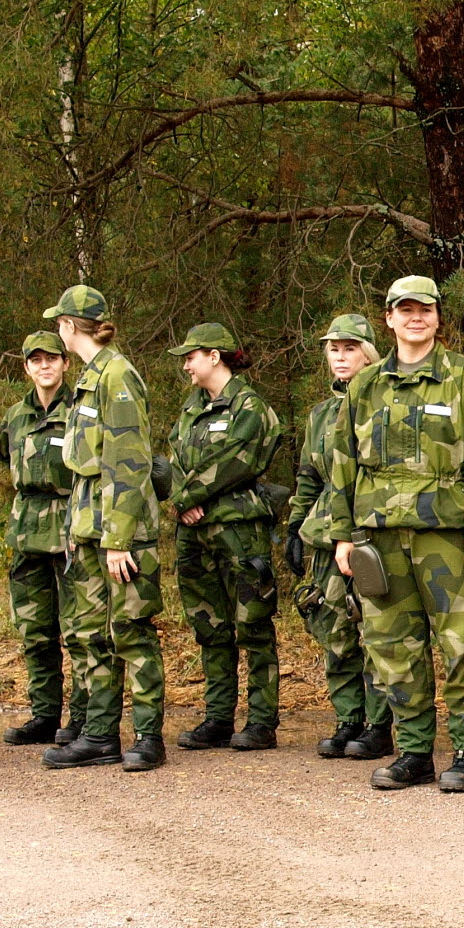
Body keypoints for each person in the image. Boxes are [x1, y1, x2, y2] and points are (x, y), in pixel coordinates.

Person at [325, 275, 464, 792]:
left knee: (462, 644)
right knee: (392, 647)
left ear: (438, 317)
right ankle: (415, 751)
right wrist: (342, 535)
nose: (414, 317)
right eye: (404, 309)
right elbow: (341, 462)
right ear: (388, 318)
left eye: (424, 308)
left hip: (446, 535)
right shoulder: (366, 385)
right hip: (379, 537)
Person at [40, 284, 170, 773]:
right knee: (91, 632)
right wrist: (78, 528)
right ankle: (98, 735)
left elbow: (129, 462)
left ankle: (148, 736)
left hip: (121, 530)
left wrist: (118, 539)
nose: (58, 331)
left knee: (131, 631)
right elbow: (86, 464)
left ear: (72, 327)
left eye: (60, 323)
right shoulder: (92, 378)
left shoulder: (117, 375)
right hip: (90, 521)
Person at [166, 322, 284, 752]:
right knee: (209, 626)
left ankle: (260, 721)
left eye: (191, 357)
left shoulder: (249, 406)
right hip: (194, 530)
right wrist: (183, 500)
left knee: (252, 624)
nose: (186, 366)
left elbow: (238, 459)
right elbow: (174, 455)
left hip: (238, 531)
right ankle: (217, 716)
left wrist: (188, 495)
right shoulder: (192, 406)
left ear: (214, 356)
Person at [290, 313, 393, 760]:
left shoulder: (384, 400)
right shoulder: (321, 414)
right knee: (332, 624)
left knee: (374, 627)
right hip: (325, 534)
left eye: (350, 348)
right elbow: (309, 475)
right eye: (334, 348)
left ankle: (379, 722)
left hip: (370, 531)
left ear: (368, 352)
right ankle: (348, 716)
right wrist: (296, 527)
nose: (340, 356)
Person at [0, 331, 87, 747]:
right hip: (26, 528)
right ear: (26, 367)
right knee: (36, 632)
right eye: (36, 360)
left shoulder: (81, 410)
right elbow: (2, 453)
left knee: (80, 629)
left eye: (52, 358)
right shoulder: (16, 415)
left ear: (66, 363)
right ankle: (45, 714)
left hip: (70, 525)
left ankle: (83, 718)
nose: (45, 366)